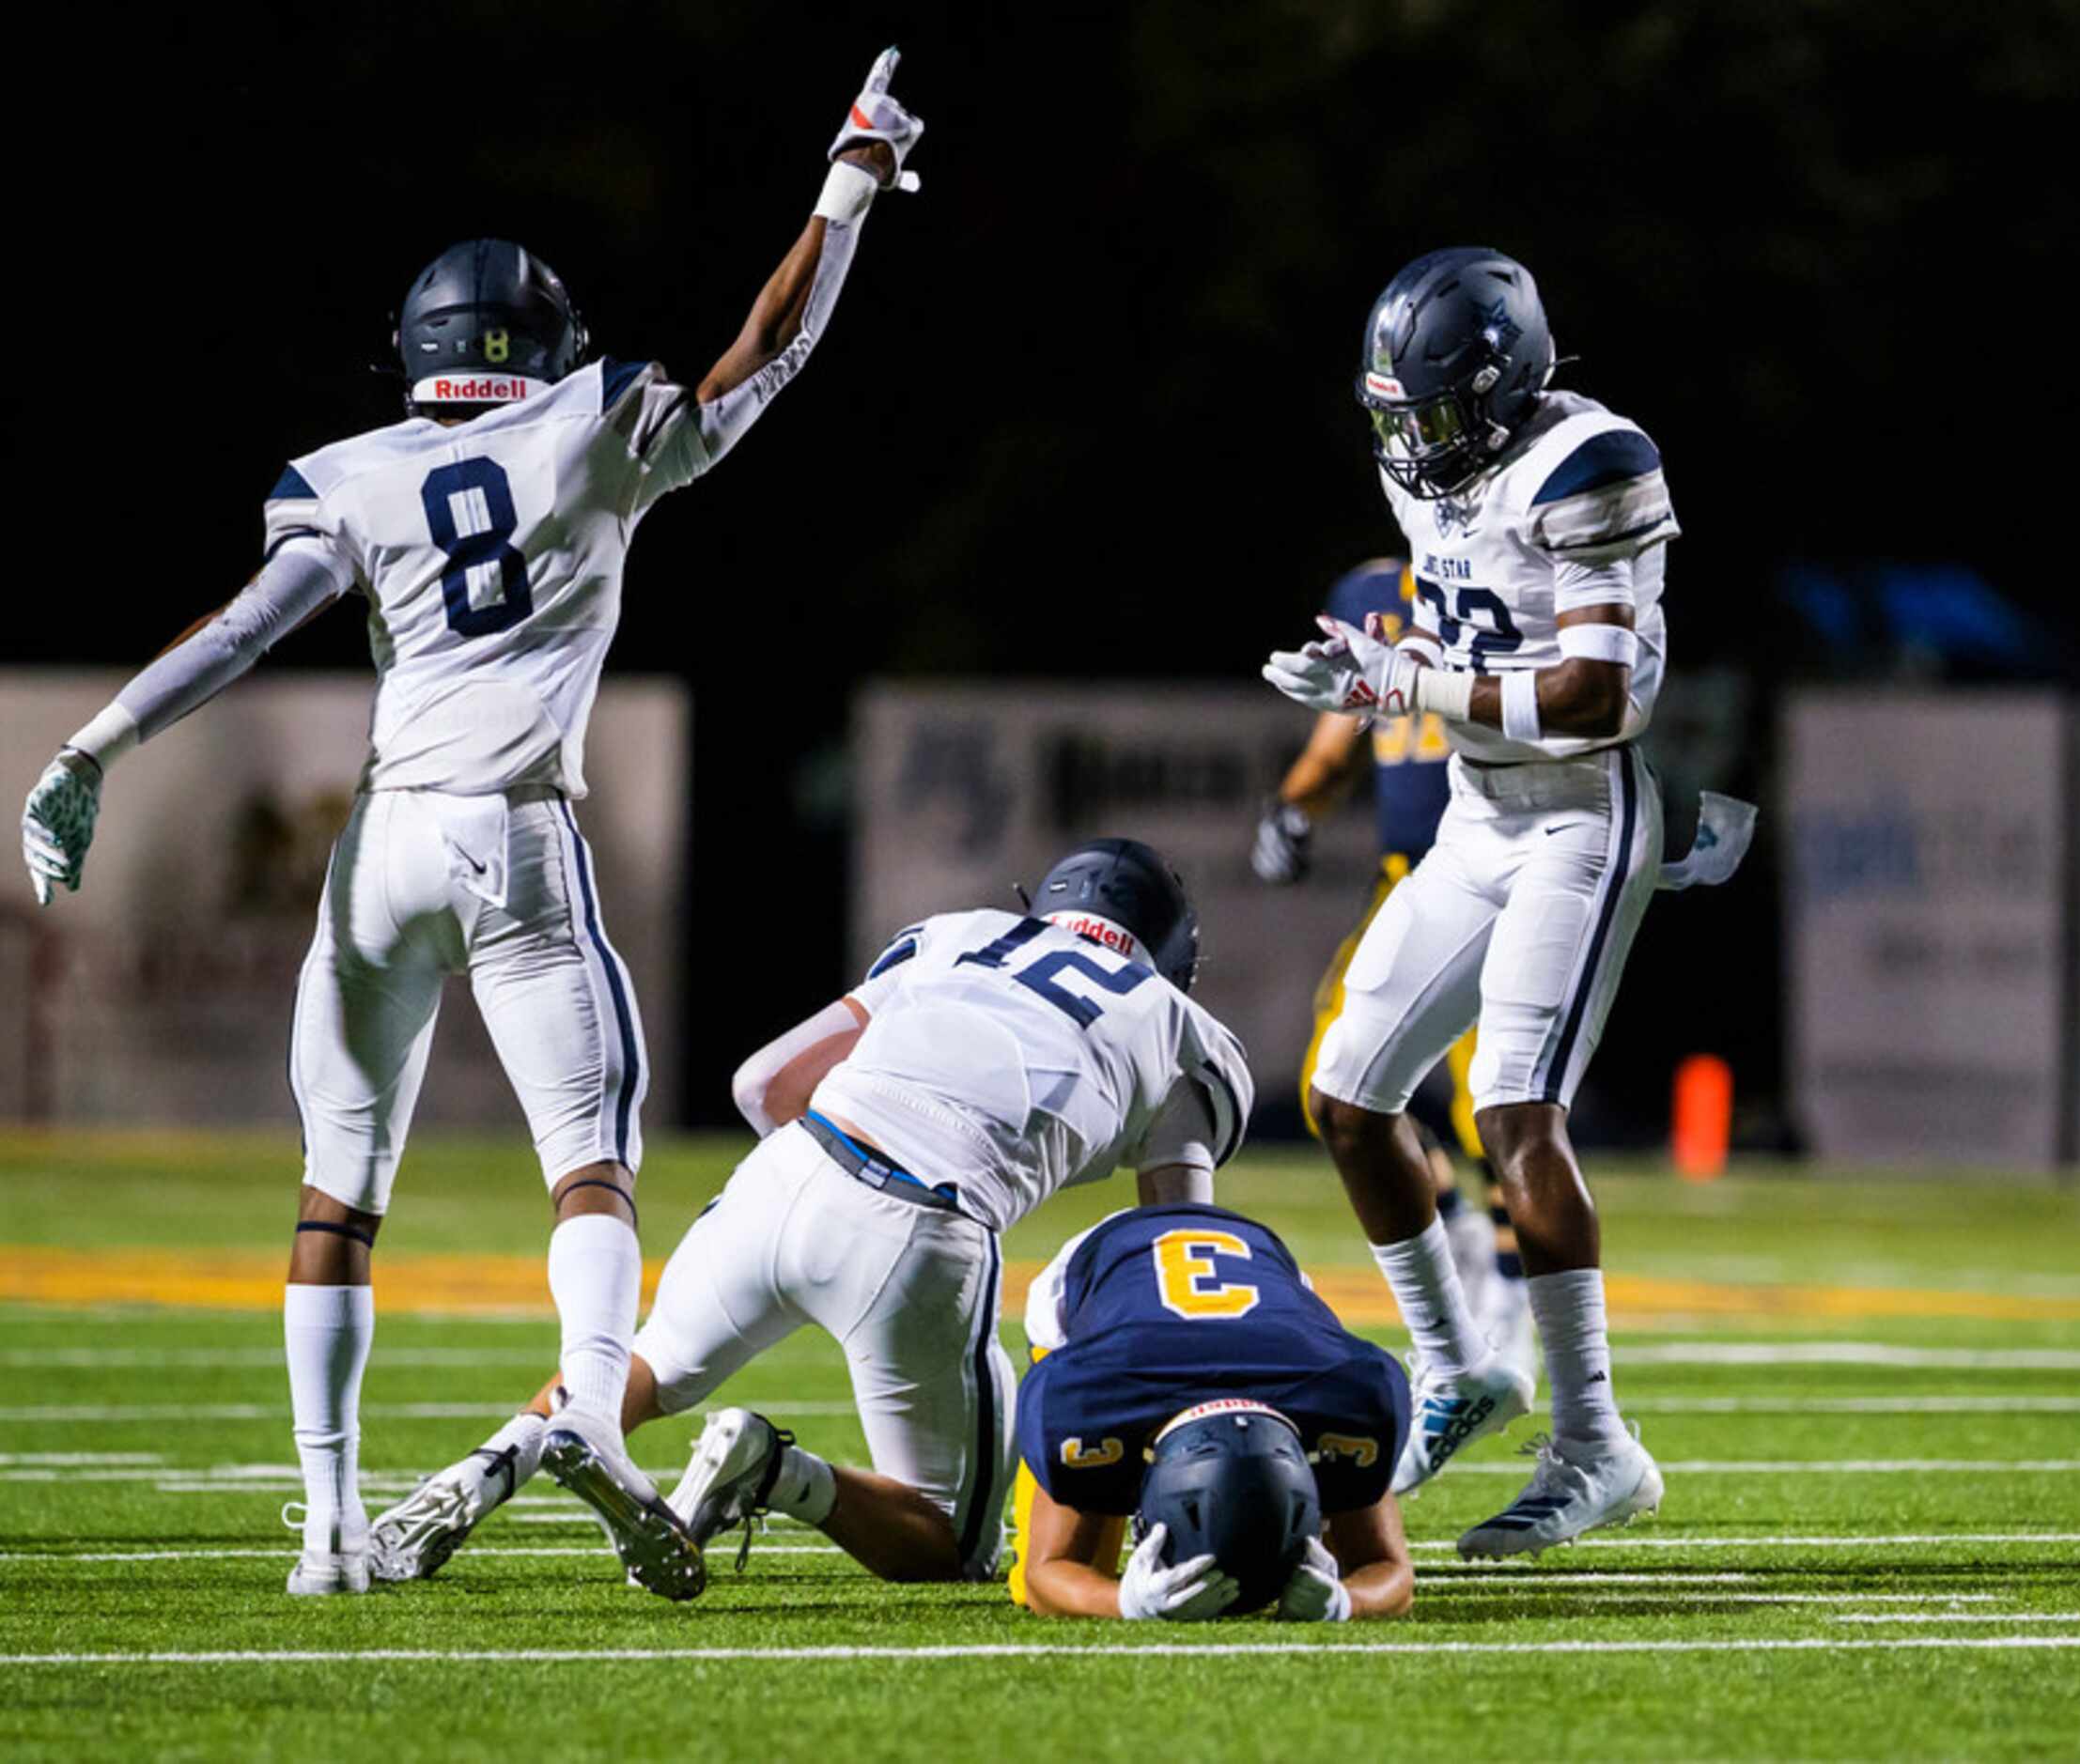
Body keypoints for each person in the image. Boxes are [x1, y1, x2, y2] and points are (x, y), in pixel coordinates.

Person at [16, 47, 927, 1597]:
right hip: (516, 836)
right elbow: (760, 354)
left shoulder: (350, 477)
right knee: (589, 1167)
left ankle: (322, 1530)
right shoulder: (594, 428)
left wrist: (87, 748)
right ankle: (598, 1419)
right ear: (549, 347)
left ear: (419, 354)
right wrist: (846, 186)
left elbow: (241, 631)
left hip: (381, 850)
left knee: (338, 1180)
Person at [367, 839, 1251, 1597]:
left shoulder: (960, 935)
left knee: (640, 1368)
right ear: (1170, 952)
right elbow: (1173, 1254)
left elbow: (762, 1083)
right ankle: (775, 1469)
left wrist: (818, 1180)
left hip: (789, 1167)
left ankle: (482, 1472)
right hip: (923, 1223)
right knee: (956, 1545)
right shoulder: (1181, 1030)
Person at [1264, 246, 1693, 1557]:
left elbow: (1598, 697)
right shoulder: (1420, 464)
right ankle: (1459, 1365)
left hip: (1578, 814)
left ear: (1507, 384)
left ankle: (1596, 1445)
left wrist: (1409, 689)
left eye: (1442, 413)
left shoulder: (1595, 461)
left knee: (1514, 1109)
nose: (1421, 445)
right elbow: (1465, 634)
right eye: (1402, 418)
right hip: (1475, 815)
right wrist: (1376, 669)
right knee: (1344, 1096)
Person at [1254, 557, 1530, 1378]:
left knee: (1497, 1104)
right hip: (1406, 880)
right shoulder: (1370, 595)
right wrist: (1293, 804)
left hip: (1499, 865)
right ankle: (1459, 1233)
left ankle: (1513, 1303)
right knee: (1333, 1086)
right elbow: (1340, 734)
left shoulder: (1509, 574)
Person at [1010, 1204, 1414, 1621]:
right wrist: (1123, 1603)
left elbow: (1388, 1570)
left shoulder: (1342, 1397)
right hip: (1102, 1259)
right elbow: (1044, 1577)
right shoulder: (1094, 1394)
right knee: (1077, 1563)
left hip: (1259, 1264)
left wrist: (1343, 1601)